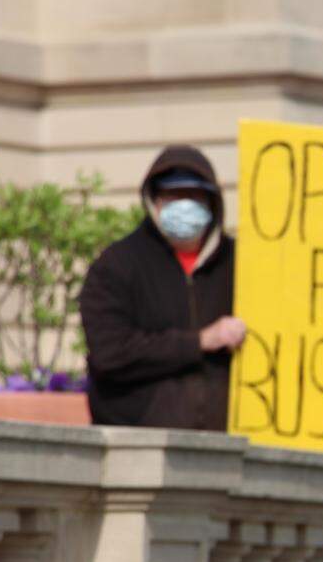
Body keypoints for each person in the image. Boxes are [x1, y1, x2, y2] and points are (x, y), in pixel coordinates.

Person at [79, 144, 246, 430]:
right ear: (153, 202)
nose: (184, 205)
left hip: (229, 441)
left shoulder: (242, 263)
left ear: (212, 203)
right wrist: (199, 342)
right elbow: (111, 354)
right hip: (140, 440)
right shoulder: (117, 266)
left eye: (194, 196)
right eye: (173, 197)